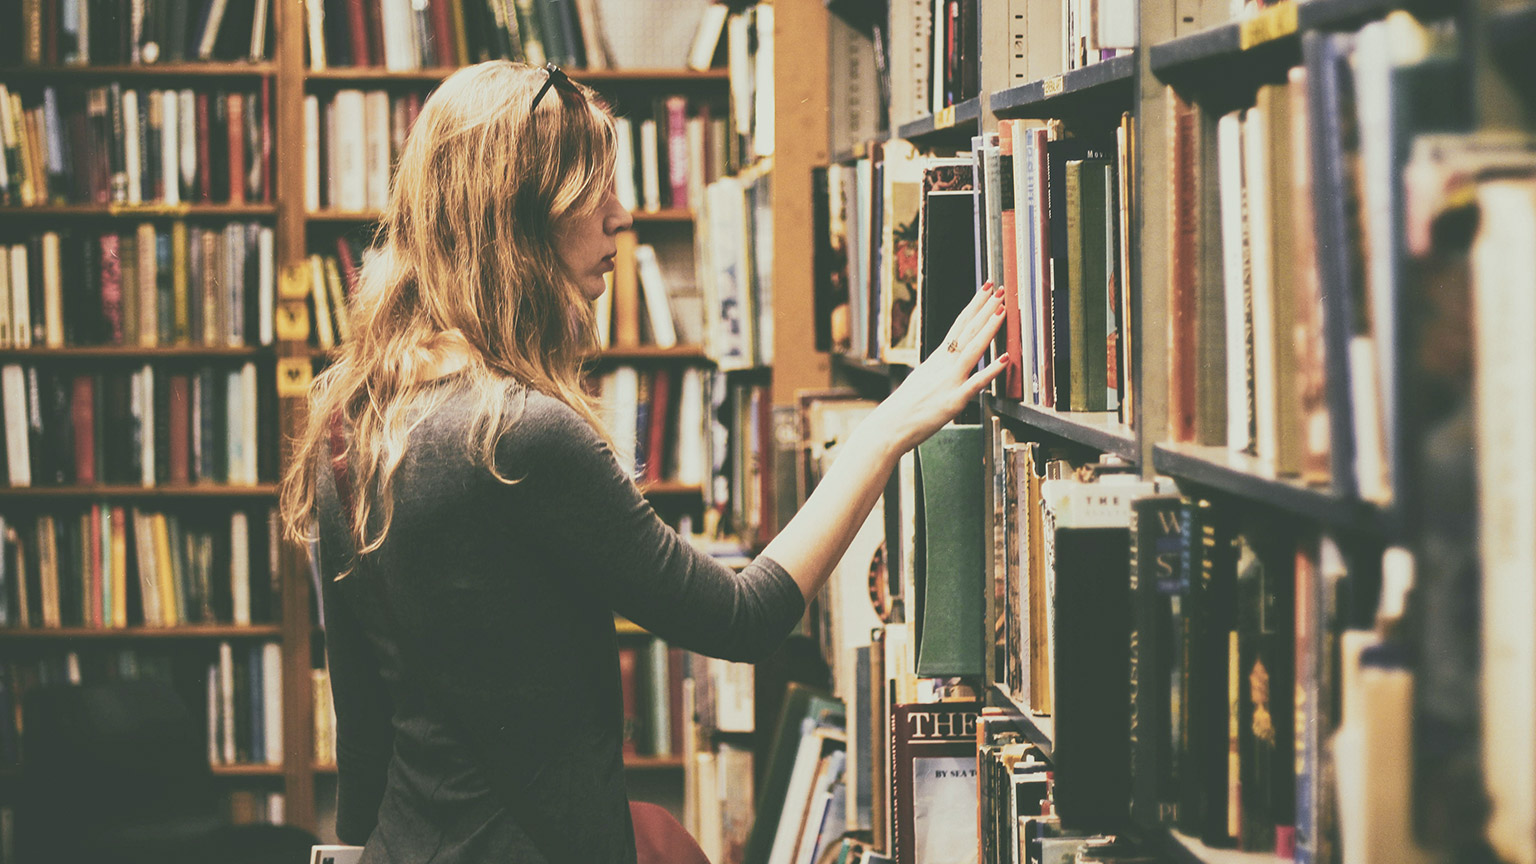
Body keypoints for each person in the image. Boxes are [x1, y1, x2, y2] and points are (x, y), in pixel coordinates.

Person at [279, 60, 1008, 864]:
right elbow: (742, 618)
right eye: (596, 195)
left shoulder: (353, 427)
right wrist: (886, 430)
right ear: (522, 218)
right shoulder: (522, 437)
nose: (621, 218)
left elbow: (362, 731)